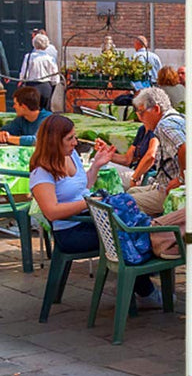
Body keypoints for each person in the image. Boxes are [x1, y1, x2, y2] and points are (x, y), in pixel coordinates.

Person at [28, 114, 161, 308]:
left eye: (75, 137)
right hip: (70, 232)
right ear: (54, 142)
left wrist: (97, 165)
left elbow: (83, 187)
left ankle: (138, 284)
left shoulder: (70, 155)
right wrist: (88, 203)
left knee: (133, 226)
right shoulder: (42, 172)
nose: (75, 142)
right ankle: (145, 290)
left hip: (86, 219)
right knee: (124, 236)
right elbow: (52, 212)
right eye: (70, 139)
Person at [126, 86, 192, 215]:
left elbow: (185, 147)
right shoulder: (179, 117)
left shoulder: (164, 125)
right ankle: (155, 226)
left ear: (156, 109)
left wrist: (182, 178)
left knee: (124, 202)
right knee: (131, 192)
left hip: (181, 191)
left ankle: (149, 232)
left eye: (142, 112)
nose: (140, 118)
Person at [18, 33, 59, 111]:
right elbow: (55, 75)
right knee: (45, 110)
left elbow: (23, 72)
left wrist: (21, 79)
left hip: (32, 86)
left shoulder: (28, 57)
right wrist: (53, 84)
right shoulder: (50, 59)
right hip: (46, 86)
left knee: (32, 110)